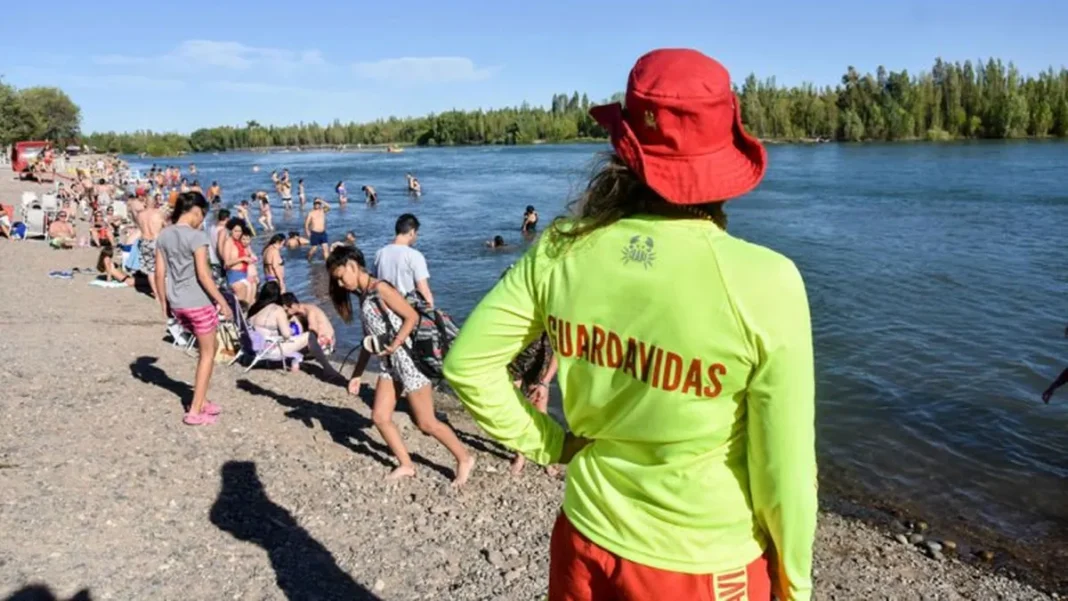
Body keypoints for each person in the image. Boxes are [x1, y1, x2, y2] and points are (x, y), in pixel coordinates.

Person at [442, 49, 816, 601]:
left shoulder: (560, 250)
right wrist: (794, 586)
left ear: (624, 153)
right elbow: (785, 472)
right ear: (721, 166)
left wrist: (549, 442)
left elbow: (467, 364)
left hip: (584, 537)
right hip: (702, 562)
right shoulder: (767, 281)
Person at [326, 245, 475, 485]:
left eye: (341, 277)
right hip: (389, 366)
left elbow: (411, 317)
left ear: (353, 266)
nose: (341, 284)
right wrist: (356, 375)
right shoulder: (365, 296)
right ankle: (406, 464)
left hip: (408, 362)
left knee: (426, 422)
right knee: (380, 416)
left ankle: (464, 458)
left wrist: (395, 344)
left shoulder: (381, 289)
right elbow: (368, 342)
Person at [155, 191, 233, 425]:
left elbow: (160, 274)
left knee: (207, 349)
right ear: (196, 212)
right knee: (207, 355)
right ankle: (195, 410)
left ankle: (201, 398)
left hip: (178, 303)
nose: (202, 221)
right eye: (202, 216)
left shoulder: (164, 236)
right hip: (198, 303)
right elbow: (204, 275)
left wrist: (164, 304)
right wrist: (223, 301)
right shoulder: (197, 237)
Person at [280, 292, 347, 385]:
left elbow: (313, 331)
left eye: (286, 310)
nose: (286, 313)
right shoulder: (301, 311)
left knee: (295, 346)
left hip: (326, 344)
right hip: (323, 342)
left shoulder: (310, 311)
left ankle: (328, 370)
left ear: (294, 305)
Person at [374, 213, 433, 306]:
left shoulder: (379, 253)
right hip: (408, 311)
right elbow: (424, 291)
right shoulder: (414, 256)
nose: (416, 237)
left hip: (385, 311)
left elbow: (374, 284)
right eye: (416, 234)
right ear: (412, 232)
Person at [247, 281, 308, 372]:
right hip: (270, 352)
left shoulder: (254, 308)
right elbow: (286, 335)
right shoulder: (277, 309)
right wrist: (291, 330)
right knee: (309, 335)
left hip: (252, 347)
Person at [136, 193, 166, 299]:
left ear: (145, 203)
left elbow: (140, 227)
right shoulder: (159, 213)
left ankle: (156, 294)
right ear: (154, 203)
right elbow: (165, 227)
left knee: (150, 270)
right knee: (161, 268)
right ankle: (163, 291)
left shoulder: (140, 215)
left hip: (145, 241)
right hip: (156, 241)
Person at [221, 218, 255, 306]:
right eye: (235, 231)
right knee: (242, 303)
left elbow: (250, 252)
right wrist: (242, 258)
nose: (238, 233)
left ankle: (247, 317)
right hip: (234, 275)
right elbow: (226, 263)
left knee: (250, 301)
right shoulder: (229, 242)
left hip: (244, 273)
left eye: (240, 231)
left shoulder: (239, 242)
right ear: (231, 231)